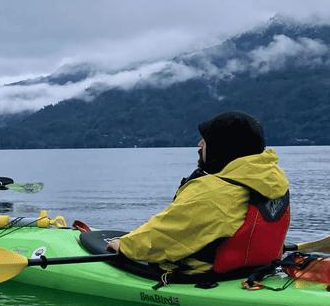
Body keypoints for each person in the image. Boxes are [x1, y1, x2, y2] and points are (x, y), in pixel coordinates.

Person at [106, 111, 290, 276]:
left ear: (223, 147)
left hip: (204, 275)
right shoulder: (272, 178)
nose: (199, 144)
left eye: (206, 140)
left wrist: (126, 245)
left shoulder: (214, 191)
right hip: (255, 270)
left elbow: (168, 234)